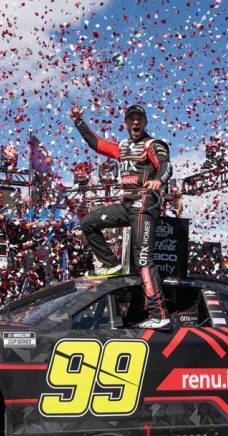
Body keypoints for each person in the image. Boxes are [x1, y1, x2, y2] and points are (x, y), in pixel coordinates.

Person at [70, 104, 173, 329]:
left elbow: (166, 166)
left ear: (145, 123)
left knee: (143, 259)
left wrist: (159, 180)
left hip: (145, 205)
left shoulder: (152, 145)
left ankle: (159, 314)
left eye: (139, 119)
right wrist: (78, 121)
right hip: (127, 205)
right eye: (131, 119)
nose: (135, 123)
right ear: (125, 123)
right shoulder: (123, 147)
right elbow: (96, 144)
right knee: (88, 222)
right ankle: (111, 264)